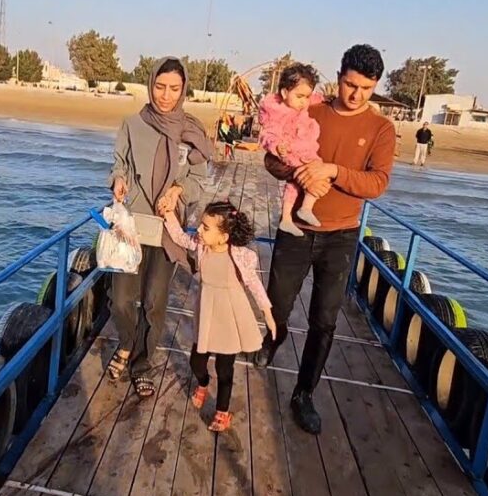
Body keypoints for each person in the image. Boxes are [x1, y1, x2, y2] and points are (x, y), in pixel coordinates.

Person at [254, 44, 396, 435]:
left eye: (366, 88)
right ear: (339, 77)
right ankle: (273, 340)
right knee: (277, 302)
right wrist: (295, 172)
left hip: (341, 235)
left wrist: (331, 170)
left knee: (325, 320)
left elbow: (377, 182)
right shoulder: (309, 108)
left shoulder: (381, 128)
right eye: (351, 85)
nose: (356, 95)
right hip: (296, 232)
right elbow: (270, 159)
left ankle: (304, 393)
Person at [107, 57, 213, 398]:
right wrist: (119, 180)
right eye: (159, 87)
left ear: (184, 91)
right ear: (150, 84)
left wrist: (178, 191)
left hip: (168, 228)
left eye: (174, 88)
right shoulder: (132, 123)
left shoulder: (192, 131)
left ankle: (141, 363)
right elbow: (119, 162)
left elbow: (198, 179)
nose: (165, 95)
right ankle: (126, 343)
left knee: (154, 301)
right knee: (121, 299)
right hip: (132, 227)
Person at [161, 200, 275, 432]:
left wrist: (268, 314)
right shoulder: (201, 245)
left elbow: (254, 285)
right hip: (207, 310)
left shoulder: (241, 257)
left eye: (205, 227)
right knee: (197, 362)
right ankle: (203, 382)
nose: (199, 230)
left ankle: (222, 411)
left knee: (225, 370)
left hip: (231, 316)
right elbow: (180, 237)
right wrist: (169, 215)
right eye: (201, 226)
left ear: (224, 236)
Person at [259, 63, 326, 237]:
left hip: (303, 147)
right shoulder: (276, 112)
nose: (304, 102)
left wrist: (327, 99)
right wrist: (276, 147)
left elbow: (316, 98)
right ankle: (303, 209)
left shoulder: (301, 104)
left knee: (295, 183)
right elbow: (268, 134)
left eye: (307, 97)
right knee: (311, 173)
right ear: (284, 93)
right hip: (291, 150)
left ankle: (291, 216)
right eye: (300, 96)